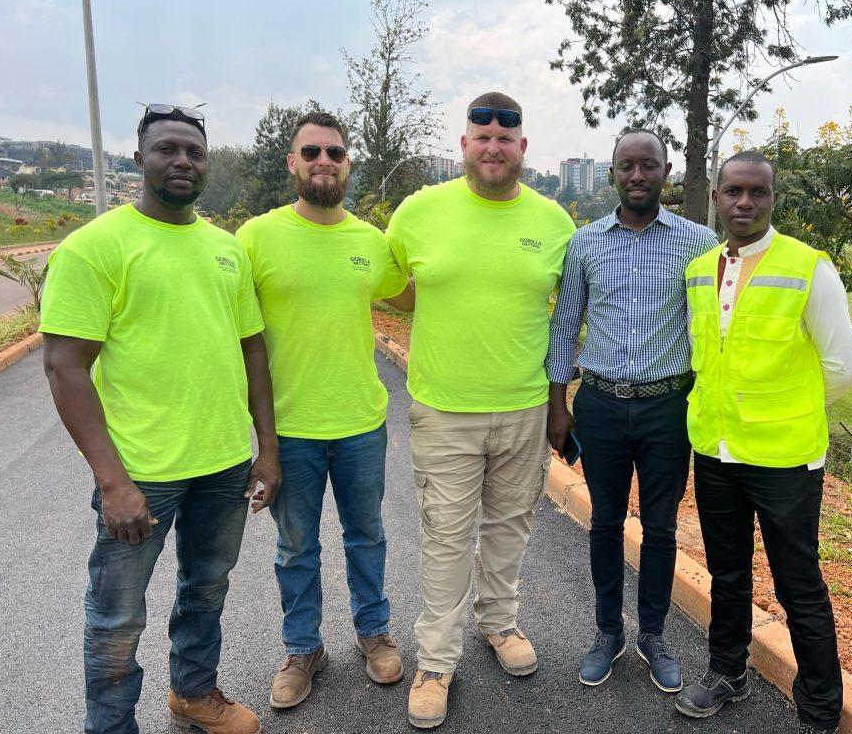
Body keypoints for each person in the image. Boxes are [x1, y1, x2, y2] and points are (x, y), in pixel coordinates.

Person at [41, 104, 279, 734]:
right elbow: (65, 368)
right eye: (168, 149)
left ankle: (194, 693)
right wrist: (113, 481)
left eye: (194, 152)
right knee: (117, 615)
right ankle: (112, 726)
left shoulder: (226, 251)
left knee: (207, 588)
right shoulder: (94, 249)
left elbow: (252, 347)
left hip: (224, 465)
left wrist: (267, 449)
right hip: (142, 471)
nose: (182, 161)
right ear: (138, 158)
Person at [385, 92, 576, 729]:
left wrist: (559, 404)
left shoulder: (554, 223)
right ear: (463, 145)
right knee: (445, 537)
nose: (493, 147)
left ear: (523, 149)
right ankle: (437, 662)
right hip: (443, 410)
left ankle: (499, 624)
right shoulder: (418, 213)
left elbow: (564, 318)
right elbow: (396, 291)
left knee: (509, 527)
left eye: (506, 138)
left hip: (523, 408)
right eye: (481, 136)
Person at [674, 151, 852, 734]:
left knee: (798, 585)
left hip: (784, 461)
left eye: (757, 192)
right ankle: (727, 672)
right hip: (715, 452)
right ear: (717, 197)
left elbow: (843, 365)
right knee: (727, 573)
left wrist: (787, 412)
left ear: (773, 199)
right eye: (733, 191)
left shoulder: (808, 267)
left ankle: (820, 709)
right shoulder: (700, 270)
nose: (744, 203)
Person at [236, 111, 414, 709]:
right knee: (295, 547)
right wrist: (256, 437)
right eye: (310, 151)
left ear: (347, 163)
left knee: (367, 536)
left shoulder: (369, 241)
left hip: (362, 422)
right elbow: (235, 333)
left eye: (334, 153)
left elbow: (414, 295)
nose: (323, 161)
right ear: (292, 162)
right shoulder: (256, 237)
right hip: (288, 430)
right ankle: (302, 647)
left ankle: (374, 633)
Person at [547, 129, 718, 692]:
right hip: (600, 404)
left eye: (649, 165)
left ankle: (654, 634)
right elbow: (566, 324)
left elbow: (716, 326)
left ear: (666, 170)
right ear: (612, 173)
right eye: (627, 166)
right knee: (603, 522)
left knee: (662, 528)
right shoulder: (586, 243)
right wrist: (559, 402)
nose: (638, 175)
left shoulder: (699, 242)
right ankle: (606, 632)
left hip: (668, 407)